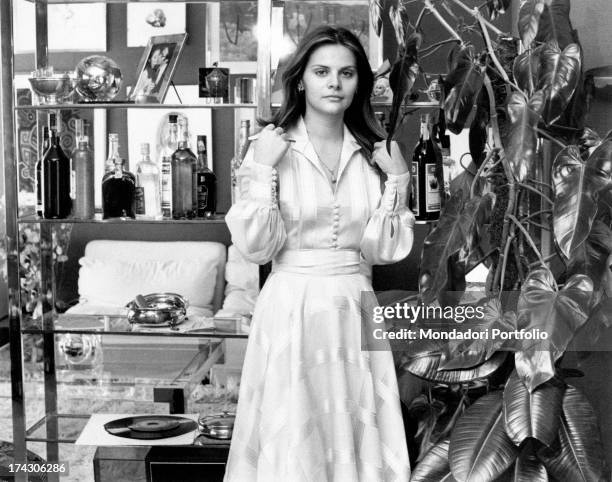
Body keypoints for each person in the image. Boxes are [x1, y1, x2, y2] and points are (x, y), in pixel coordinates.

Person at [224, 25, 414, 481]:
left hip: (354, 304)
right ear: (301, 80)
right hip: (291, 305)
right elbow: (255, 248)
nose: (334, 83)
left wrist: (398, 182)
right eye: (322, 71)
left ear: (359, 83)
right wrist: (264, 170)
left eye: (347, 73)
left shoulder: (376, 155)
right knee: (291, 436)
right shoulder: (268, 148)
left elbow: (383, 250)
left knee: (356, 429)